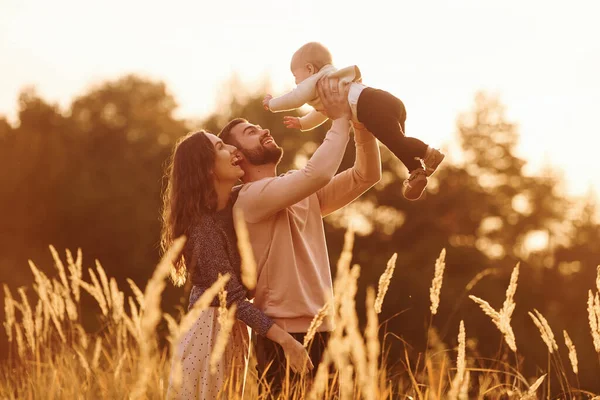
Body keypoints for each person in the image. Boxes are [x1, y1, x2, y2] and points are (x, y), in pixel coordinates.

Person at [218, 77, 382, 394]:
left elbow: (367, 175)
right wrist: (338, 118)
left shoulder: (300, 190)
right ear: (237, 156)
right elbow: (318, 173)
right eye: (251, 132)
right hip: (282, 337)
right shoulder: (249, 198)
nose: (264, 130)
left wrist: (360, 125)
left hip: (324, 328)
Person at [161, 130, 313, 399]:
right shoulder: (202, 227)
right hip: (210, 334)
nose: (233, 150)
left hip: (232, 332)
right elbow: (231, 297)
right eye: (221, 146)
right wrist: (288, 342)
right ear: (207, 169)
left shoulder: (235, 203)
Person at [262, 41, 445, 201]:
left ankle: (428, 153)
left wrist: (271, 104)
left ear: (310, 69)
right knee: (397, 143)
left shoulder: (317, 81)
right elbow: (323, 113)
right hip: (383, 100)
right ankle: (416, 171)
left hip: (370, 105)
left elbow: (295, 97)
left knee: (397, 141)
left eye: (296, 77)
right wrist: (303, 123)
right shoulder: (332, 84)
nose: (296, 83)